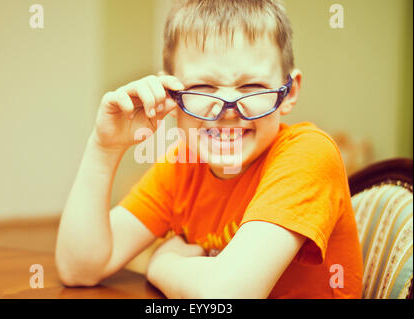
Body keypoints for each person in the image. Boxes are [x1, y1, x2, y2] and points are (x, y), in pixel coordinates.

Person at [55, 0, 363, 298]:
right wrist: (104, 148)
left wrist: (163, 264)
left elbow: (226, 295)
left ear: (289, 92)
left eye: (252, 87)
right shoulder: (183, 165)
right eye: (203, 87)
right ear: (170, 94)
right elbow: (79, 269)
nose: (228, 110)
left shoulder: (309, 153)